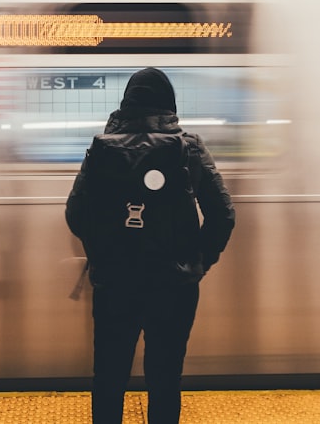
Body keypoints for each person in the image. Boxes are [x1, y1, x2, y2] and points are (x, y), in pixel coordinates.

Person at [66, 67, 235, 424]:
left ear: (125, 103)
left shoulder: (101, 148)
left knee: (109, 378)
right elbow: (223, 215)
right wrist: (197, 262)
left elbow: (75, 214)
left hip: (115, 283)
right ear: (169, 105)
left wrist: (103, 256)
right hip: (174, 286)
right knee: (164, 379)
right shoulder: (189, 149)